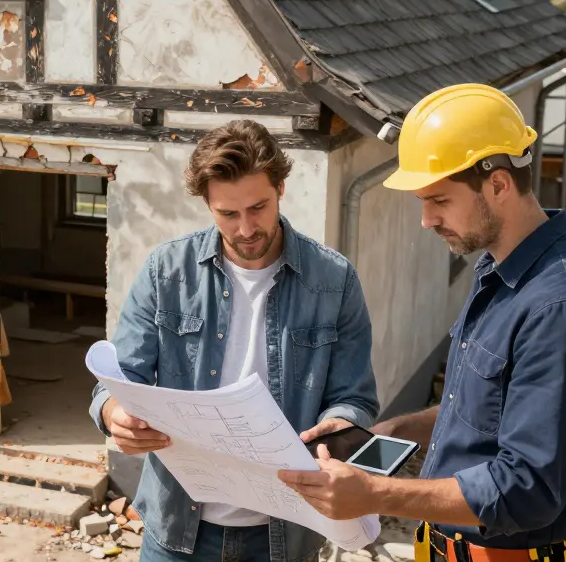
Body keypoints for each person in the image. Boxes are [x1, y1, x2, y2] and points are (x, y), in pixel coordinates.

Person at [278, 84, 566, 562]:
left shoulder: (565, 308)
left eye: (440, 200)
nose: (426, 220)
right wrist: (386, 434)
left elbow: (526, 491)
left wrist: (375, 493)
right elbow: (482, 412)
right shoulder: (499, 271)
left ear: (499, 184)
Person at [89, 120, 380, 562]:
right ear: (207, 204)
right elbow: (118, 379)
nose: (246, 228)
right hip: (177, 529)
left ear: (281, 188)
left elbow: (354, 396)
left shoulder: (334, 281)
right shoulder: (166, 272)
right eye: (228, 213)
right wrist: (115, 414)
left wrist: (341, 425)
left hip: (286, 533)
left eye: (258, 208)